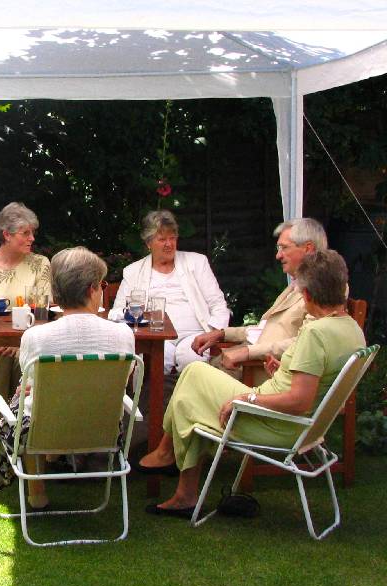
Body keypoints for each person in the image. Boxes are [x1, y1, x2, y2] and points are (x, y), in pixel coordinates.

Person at [137, 250, 365, 517]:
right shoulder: (351, 329)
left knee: (194, 376)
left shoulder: (316, 333)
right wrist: (284, 370)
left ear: (307, 296)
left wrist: (246, 399)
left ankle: (169, 459)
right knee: (193, 394)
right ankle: (180, 487)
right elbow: (316, 379)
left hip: (276, 423)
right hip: (302, 424)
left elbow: (299, 401)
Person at [0, 247, 136, 508]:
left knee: (25, 399)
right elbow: (124, 379)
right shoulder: (123, 334)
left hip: (44, 430)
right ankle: (54, 458)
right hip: (101, 429)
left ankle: (37, 492)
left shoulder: (35, 336)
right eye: (102, 285)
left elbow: (29, 381)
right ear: (92, 289)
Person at [192, 217, 328, 385]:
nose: (278, 255)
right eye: (279, 248)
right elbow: (263, 329)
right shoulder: (297, 284)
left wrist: (247, 352)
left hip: (260, 371)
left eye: (284, 248)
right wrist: (223, 333)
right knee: (191, 374)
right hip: (244, 362)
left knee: (192, 380)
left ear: (308, 249)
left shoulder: (325, 288)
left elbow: (306, 343)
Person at [0, 202, 52, 462]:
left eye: (32, 233)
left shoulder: (40, 264)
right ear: (7, 234)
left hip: (29, 340)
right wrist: (2, 341)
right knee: (0, 355)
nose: (32, 238)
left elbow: (42, 313)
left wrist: (19, 343)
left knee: (13, 357)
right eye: (25, 233)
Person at [109, 210, 229, 374]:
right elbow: (117, 312)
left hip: (195, 335)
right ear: (148, 243)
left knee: (192, 360)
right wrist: (134, 316)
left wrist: (214, 333)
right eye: (162, 239)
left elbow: (218, 304)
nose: (169, 244)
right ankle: (157, 392)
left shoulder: (197, 262)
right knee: (156, 361)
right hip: (156, 338)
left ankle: (189, 392)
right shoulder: (133, 271)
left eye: (172, 238)